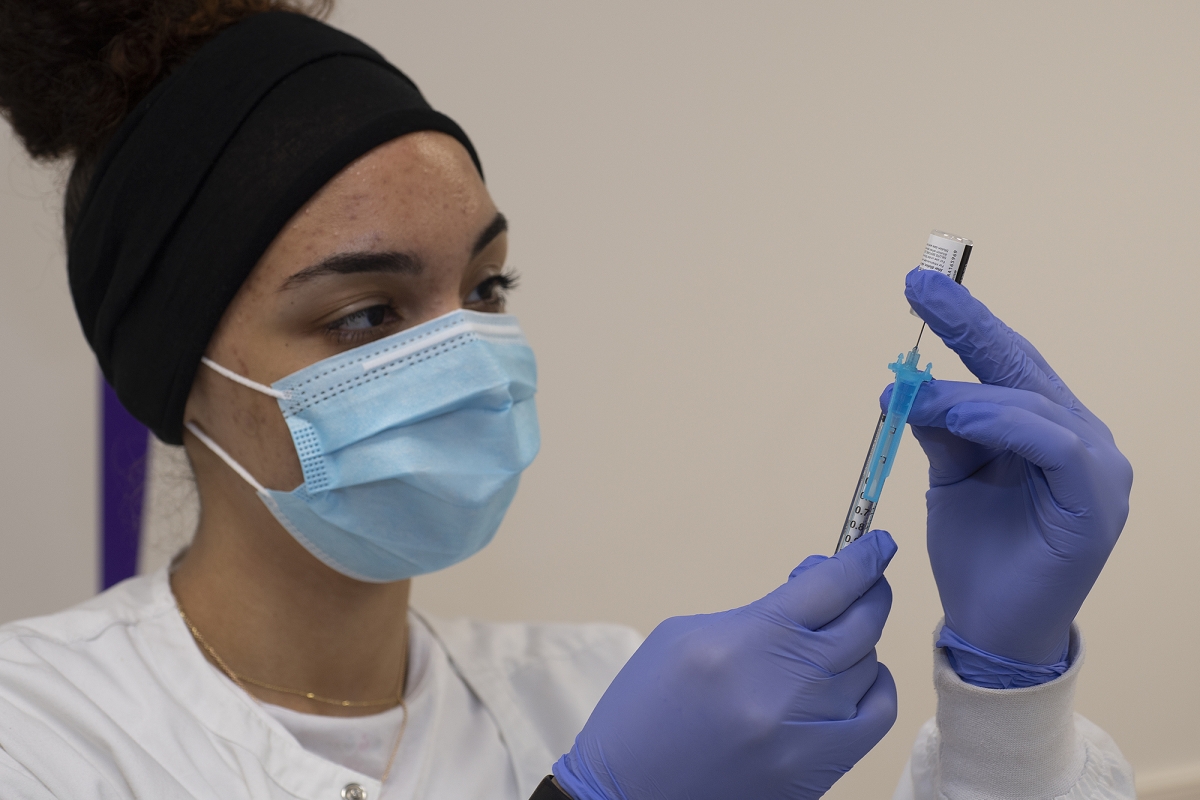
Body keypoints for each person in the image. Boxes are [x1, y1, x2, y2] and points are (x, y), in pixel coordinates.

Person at [0, 2, 1136, 798]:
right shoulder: (42, 738)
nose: (469, 357)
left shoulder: (599, 688)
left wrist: (1008, 702)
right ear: (176, 371)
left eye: (486, 288)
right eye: (368, 315)